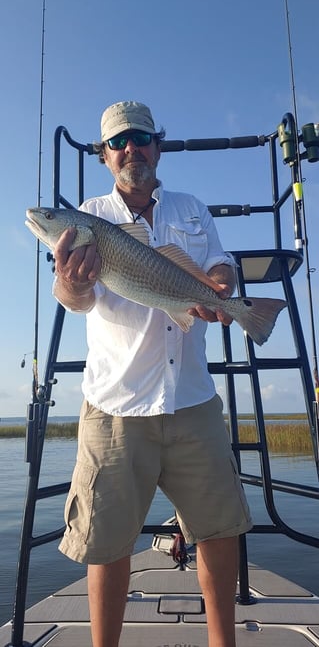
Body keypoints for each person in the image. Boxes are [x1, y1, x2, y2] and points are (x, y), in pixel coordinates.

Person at [55, 100, 253, 647]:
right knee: (109, 540)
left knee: (218, 529)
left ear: (157, 146)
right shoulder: (87, 220)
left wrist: (218, 288)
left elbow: (220, 262)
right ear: (104, 155)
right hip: (116, 406)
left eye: (141, 138)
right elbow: (74, 297)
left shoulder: (191, 208)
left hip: (192, 399)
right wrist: (71, 281)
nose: (130, 149)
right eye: (118, 142)